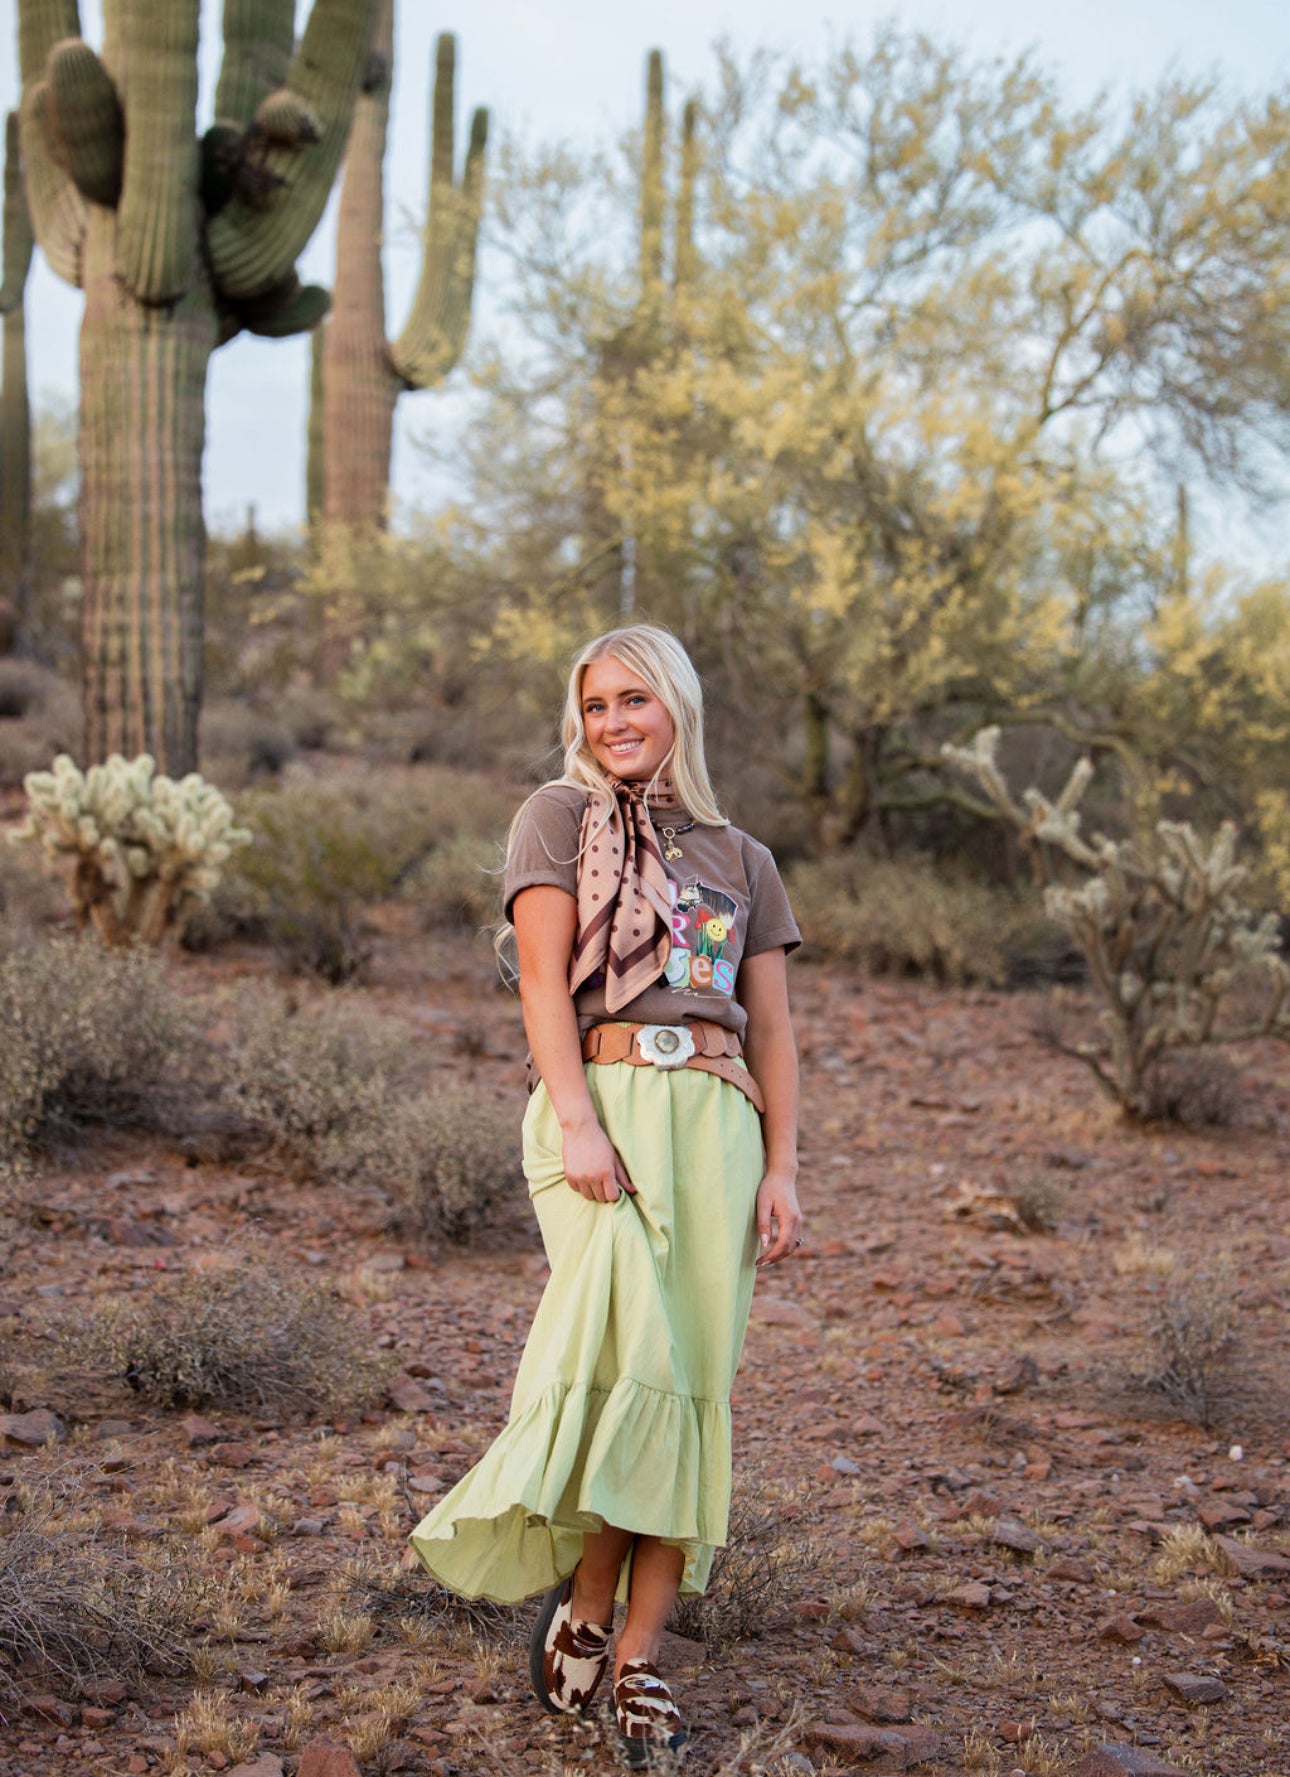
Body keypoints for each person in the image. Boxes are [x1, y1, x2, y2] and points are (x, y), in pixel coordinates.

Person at [409, 624, 802, 1766]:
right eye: (595, 706)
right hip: (603, 1108)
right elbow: (542, 982)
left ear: (677, 705)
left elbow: (772, 1029)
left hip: (717, 1125)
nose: (615, 723)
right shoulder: (557, 819)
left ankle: (635, 1650)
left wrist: (781, 1165)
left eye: (636, 700)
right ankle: (586, 1578)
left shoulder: (744, 857)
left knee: (689, 1379)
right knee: (635, 1361)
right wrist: (577, 1118)